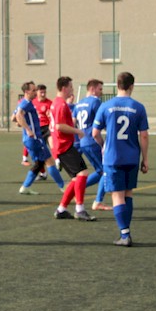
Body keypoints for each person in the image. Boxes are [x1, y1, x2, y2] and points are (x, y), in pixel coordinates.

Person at [93, 71, 149, 247]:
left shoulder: (106, 106)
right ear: (132, 86)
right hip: (132, 157)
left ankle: (125, 235)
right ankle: (126, 230)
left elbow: (95, 133)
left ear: (117, 85)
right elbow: (144, 136)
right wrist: (145, 159)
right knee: (128, 193)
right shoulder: (139, 107)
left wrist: (103, 146)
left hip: (113, 158)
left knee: (117, 196)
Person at [51, 76, 94, 222]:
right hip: (64, 145)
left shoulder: (55, 103)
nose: (72, 89)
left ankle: (61, 209)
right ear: (64, 88)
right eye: (70, 87)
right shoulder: (61, 104)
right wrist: (78, 131)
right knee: (83, 173)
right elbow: (59, 126)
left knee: (76, 178)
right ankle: (80, 209)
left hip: (61, 146)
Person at [15, 81, 65, 195]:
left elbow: (15, 117)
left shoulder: (25, 102)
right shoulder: (26, 103)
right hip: (34, 138)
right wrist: (28, 129)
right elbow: (18, 115)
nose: (36, 92)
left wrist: (22, 123)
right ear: (27, 92)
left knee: (39, 164)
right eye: (33, 90)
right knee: (50, 161)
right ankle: (63, 186)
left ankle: (25, 187)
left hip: (30, 139)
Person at [73, 79, 110, 211]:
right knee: (107, 171)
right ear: (93, 89)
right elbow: (103, 120)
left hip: (83, 142)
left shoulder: (79, 103)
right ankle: (98, 201)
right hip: (93, 141)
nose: (101, 92)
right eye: (100, 89)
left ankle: (75, 189)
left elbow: (73, 122)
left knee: (100, 171)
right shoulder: (95, 102)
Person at [35, 84, 53, 180]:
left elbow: (54, 117)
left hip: (47, 128)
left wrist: (50, 117)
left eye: (44, 92)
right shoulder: (32, 103)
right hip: (37, 130)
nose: (43, 94)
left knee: (53, 146)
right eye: (41, 92)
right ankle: (43, 173)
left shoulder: (50, 103)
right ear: (37, 92)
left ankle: (58, 162)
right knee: (39, 153)